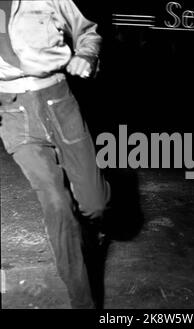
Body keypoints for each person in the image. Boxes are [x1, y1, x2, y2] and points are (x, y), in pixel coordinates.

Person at [0, 0, 110, 309]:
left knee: (94, 204)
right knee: (57, 205)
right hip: (14, 113)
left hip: (59, 102)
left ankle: (88, 228)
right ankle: (83, 303)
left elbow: (88, 32)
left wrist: (87, 56)